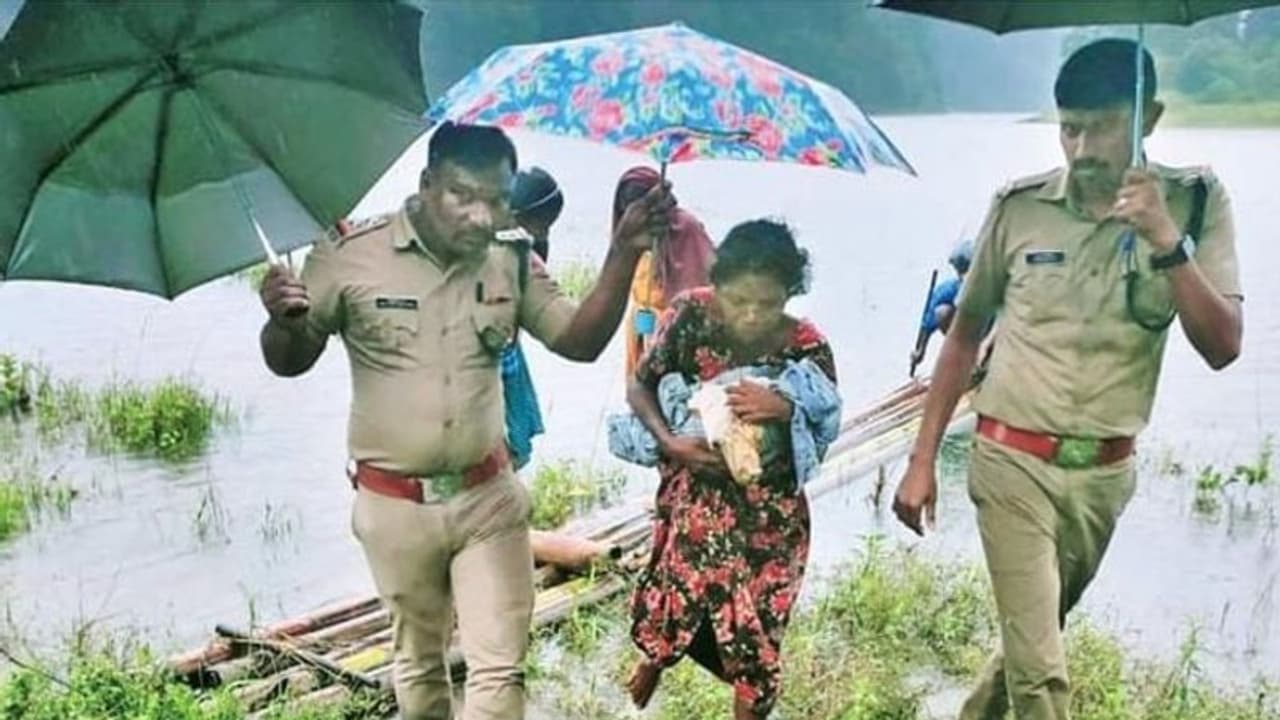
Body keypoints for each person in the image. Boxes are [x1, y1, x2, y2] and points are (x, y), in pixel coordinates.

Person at [257, 121, 673, 720]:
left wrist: (624, 249)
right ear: (426, 185)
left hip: (490, 502)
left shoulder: (510, 259)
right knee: (420, 669)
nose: (482, 215)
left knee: (500, 669)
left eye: (498, 199)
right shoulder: (348, 255)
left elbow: (577, 340)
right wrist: (284, 323)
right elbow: (289, 361)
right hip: (393, 507)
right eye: (463, 195)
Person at [893, 39, 1243, 720]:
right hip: (1010, 461)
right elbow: (964, 335)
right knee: (1044, 680)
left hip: (1105, 476)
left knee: (1030, 650)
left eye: (1102, 126)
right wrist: (922, 459)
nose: (1082, 149)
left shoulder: (1196, 203)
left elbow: (1224, 346)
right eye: (1069, 128)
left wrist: (1167, 241)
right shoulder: (1019, 209)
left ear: (1150, 116)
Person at [624, 219, 838, 720]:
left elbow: (826, 421)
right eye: (739, 300)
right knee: (675, 595)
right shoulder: (689, 315)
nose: (751, 315)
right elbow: (640, 386)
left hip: (769, 516)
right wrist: (672, 443)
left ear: (790, 293)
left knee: (757, 633)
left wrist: (786, 407)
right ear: (716, 285)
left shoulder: (806, 344)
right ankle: (656, 657)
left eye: (768, 303)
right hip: (696, 500)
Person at [618, 166, 716, 381]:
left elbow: (707, 280)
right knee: (640, 385)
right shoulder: (630, 228)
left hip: (677, 324)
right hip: (642, 319)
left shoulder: (687, 227)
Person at [500, 167, 565, 470]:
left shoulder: (519, 250)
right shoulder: (514, 246)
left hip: (504, 360)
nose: (542, 232)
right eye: (542, 225)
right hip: (506, 357)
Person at [909, 238, 973, 370]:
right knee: (942, 312)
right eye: (962, 270)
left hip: (988, 335)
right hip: (966, 337)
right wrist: (921, 351)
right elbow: (928, 323)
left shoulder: (990, 287)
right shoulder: (948, 290)